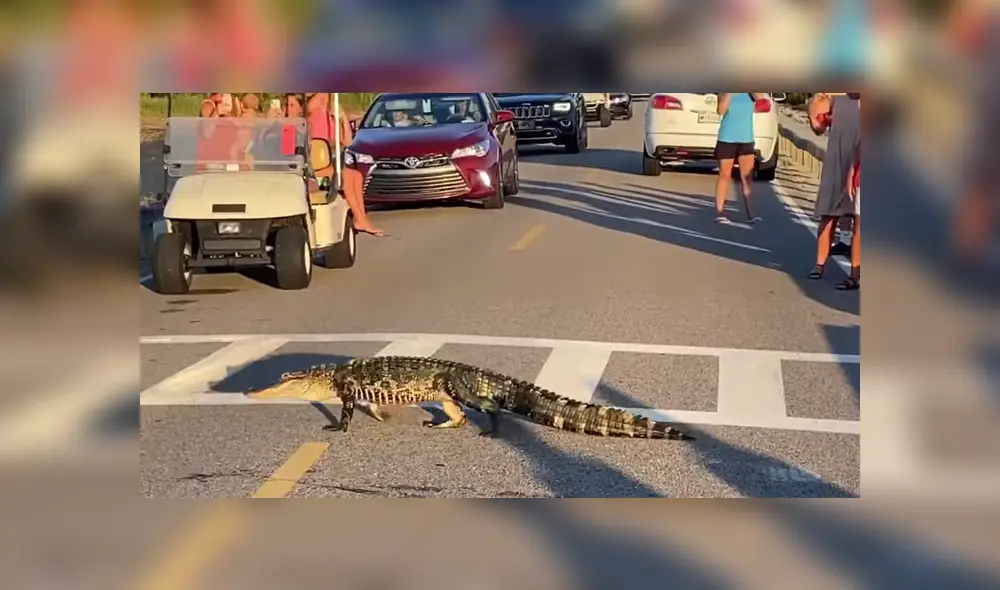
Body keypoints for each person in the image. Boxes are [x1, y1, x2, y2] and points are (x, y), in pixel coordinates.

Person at [304, 93, 385, 237]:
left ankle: (361, 217)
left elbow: (346, 141)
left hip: (330, 158)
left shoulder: (332, 110)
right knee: (347, 175)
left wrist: (342, 120)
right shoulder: (312, 109)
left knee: (356, 175)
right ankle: (360, 218)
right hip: (314, 163)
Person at [806, 92, 861, 281]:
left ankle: (856, 272)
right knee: (829, 216)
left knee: (861, 221)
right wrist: (815, 112)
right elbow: (818, 128)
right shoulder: (835, 98)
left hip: (860, 164)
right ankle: (819, 264)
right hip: (836, 163)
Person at [714, 93, 766, 224]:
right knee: (724, 175)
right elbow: (720, 110)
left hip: (746, 138)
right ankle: (720, 212)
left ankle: (751, 215)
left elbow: (761, 98)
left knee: (747, 177)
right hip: (727, 138)